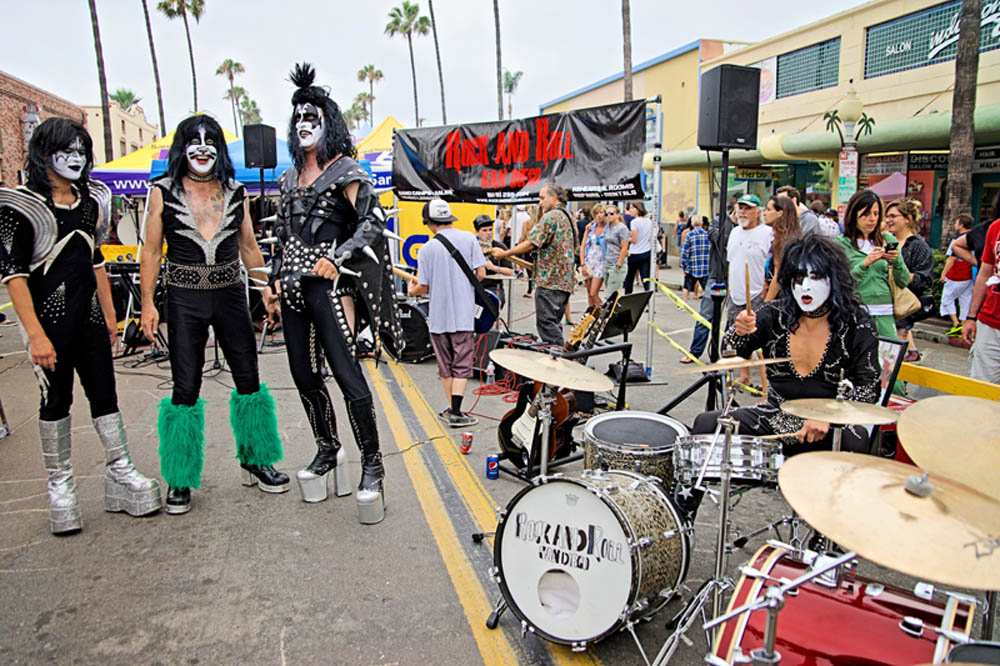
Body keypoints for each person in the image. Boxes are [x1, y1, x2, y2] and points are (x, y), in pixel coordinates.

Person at [0, 118, 161, 534]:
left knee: (105, 395)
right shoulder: (20, 206)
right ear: (44, 153)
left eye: (80, 151)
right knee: (56, 403)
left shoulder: (91, 202)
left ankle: (120, 471)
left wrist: (111, 317)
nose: (75, 158)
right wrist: (34, 334)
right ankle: (61, 487)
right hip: (48, 328)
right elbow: (14, 276)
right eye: (66, 150)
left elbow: (96, 260)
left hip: (90, 320)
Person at [266, 64, 398, 522]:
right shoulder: (285, 180)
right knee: (304, 374)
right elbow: (282, 238)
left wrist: (337, 257)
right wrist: (273, 279)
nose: (304, 125)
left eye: (312, 118)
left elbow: (373, 223)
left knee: (346, 374)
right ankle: (328, 447)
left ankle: (373, 464)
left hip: (332, 288)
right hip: (293, 292)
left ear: (328, 123)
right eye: (298, 118)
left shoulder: (346, 172)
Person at [141, 115, 287, 515]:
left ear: (219, 148)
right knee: (184, 386)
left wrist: (266, 292)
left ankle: (256, 459)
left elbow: (250, 247)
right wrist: (148, 303)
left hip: (230, 295)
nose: (202, 148)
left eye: (210, 141)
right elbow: (151, 252)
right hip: (184, 297)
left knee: (249, 378)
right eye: (194, 140)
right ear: (182, 147)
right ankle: (180, 477)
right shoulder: (162, 192)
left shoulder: (236, 192)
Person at [689, 235, 880, 456]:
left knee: (855, 440)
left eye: (816, 277)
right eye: (798, 277)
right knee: (706, 425)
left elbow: (869, 388)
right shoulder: (774, 314)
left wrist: (829, 416)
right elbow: (729, 352)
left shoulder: (857, 323)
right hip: (776, 414)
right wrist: (738, 331)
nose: (805, 286)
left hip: (832, 423)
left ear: (834, 279)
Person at [409, 200, 486, 427]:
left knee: (445, 364)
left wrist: (413, 289)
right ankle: (456, 410)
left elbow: (422, 287)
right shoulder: (469, 239)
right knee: (462, 362)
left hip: (439, 316)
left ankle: (451, 409)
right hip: (463, 313)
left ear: (429, 223)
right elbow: (480, 274)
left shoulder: (426, 249)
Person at [493, 183, 576, 346]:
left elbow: (532, 242)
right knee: (554, 323)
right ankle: (559, 359)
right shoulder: (568, 217)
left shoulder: (551, 216)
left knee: (546, 325)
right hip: (564, 282)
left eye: (542, 198)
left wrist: (504, 254)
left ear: (555, 197)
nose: (540, 202)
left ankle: (561, 360)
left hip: (550, 282)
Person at [834, 190, 910, 342]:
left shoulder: (887, 239)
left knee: (886, 360)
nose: (872, 219)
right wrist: (865, 264)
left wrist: (896, 261)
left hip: (885, 313)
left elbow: (904, 280)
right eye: (866, 214)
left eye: (876, 214)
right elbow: (841, 282)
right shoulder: (841, 243)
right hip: (855, 312)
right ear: (854, 214)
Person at [885, 199, 933, 362]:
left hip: (903, 306)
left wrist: (901, 274)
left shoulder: (918, 246)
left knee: (893, 356)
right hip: (884, 304)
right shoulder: (886, 242)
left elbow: (924, 279)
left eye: (893, 216)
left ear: (907, 219)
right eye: (886, 216)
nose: (888, 220)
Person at [687, 209, 735, 362]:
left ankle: (727, 352)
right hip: (716, 276)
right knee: (705, 315)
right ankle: (694, 352)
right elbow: (715, 236)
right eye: (740, 208)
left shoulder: (748, 229)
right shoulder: (720, 222)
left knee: (734, 318)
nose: (743, 212)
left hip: (736, 277)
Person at [961, 215, 1000, 384]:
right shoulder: (995, 227)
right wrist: (971, 317)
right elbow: (985, 273)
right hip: (990, 323)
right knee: (981, 388)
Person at [726, 194, 773, 323]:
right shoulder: (734, 232)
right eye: (740, 207)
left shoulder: (768, 233)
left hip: (756, 297)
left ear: (758, 212)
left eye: (748, 208)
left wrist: (766, 296)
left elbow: (774, 266)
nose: (743, 212)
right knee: (733, 338)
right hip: (734, 297)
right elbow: (731, 263)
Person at [940, 214, 975, 334]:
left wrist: (943, 274)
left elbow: (951, 259)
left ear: (961, 225)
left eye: (956, 222)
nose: (955, 224)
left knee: (947, 299)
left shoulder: (957, 240)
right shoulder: (975, 238)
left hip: (955, 275)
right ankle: (964, 325)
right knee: (965, 300)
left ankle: (956, 323)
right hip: (969, 275)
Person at [762, 195, 800, 301]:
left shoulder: (784, 241)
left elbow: (778, 277)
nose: (764, 213)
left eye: (769, 210)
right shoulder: (782, 237)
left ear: (780, 213)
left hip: (781, 299)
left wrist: (766, 304)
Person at [474, 214, 513, 307]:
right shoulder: (472, 246)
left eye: (490, 229)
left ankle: (494, 321)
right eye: (484, 230)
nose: (489, 233)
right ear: (477, 232)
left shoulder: (500, 247)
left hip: (493, 288)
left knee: (491, 305)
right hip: (474, 286)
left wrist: (493, 267)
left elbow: (510, 272)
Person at [579, 204, 607, 308]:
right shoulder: (590, 228)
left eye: (601, 212)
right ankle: (592, 317)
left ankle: (605, 314)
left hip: (601, 263)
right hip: (589, 261)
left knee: (593, 293)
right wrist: (583, 264)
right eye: (597, 213)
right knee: (589, 294)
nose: (599, 215)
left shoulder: (609, 229)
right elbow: (582, 247)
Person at [624, 201, 655, 294]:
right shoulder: (649, 221)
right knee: (645, 278)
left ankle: (627, 299)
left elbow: (634, 239)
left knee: (629, 278)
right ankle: (649, 301)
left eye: (633, 208)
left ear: (638, 209)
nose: (631, 210)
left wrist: (626, 238)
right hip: (646, 251)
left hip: (635, 253)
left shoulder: (634, 222)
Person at [679, 214, 709, 308]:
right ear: (702, 223)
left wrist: (684, 266)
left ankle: (683, 305)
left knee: (686, 286)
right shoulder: (707, 234)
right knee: (706, 288)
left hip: (692, 266)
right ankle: (708, 306)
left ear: (692, 223)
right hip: (705, 267)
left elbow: (685, 252)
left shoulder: (690, 235)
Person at [602, 204, 631, 295]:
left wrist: (619, 263)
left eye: (611, 213)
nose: (609, 216)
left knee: (610, 295)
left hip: (616, 264)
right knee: (609, 291)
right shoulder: (607, 226)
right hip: (607, 262)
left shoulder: (622, 228)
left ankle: (613, 309)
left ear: (617, 215)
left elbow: (624, 247)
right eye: (606, 214)